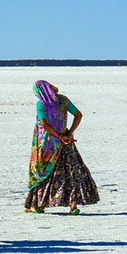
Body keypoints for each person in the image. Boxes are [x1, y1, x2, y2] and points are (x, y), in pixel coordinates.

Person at [25, 80, 99, 215]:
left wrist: (58, 136)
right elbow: (78, 115)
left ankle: (37, 204)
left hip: (46, 144)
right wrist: (69, 132)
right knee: (70, 172)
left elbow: (44, 124)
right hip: (65, 141)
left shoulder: (41, 104)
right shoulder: (63, 101)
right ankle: (73, 205)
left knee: (41, 172)